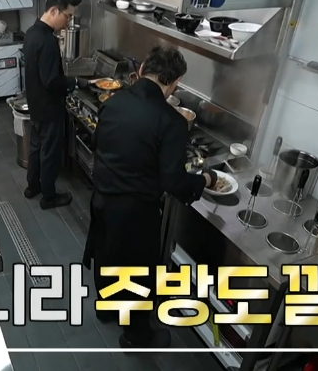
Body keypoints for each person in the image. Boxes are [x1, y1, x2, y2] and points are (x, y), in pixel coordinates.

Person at [82, 45, 218, 349]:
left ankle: (106, 309)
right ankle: (136, 335)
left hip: (102, 199)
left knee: (106, 256)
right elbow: (173, 181)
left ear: (142, 69)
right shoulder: (171, 121)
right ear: (175, 82)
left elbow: (99, 141)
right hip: (136, 213)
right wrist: (205, 180)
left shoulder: (114, 101)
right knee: (136, 274)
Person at [23, 0, 86, 210]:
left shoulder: (31, 33)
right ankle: (49, 197)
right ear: (54, 11)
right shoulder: (48, 41)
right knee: (49, 152)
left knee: (35, 147)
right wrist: (74, 81)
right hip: (49, 108)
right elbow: (51, 81)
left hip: (35, 103)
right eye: (67, 16)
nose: (68, 22)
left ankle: (32, 186)